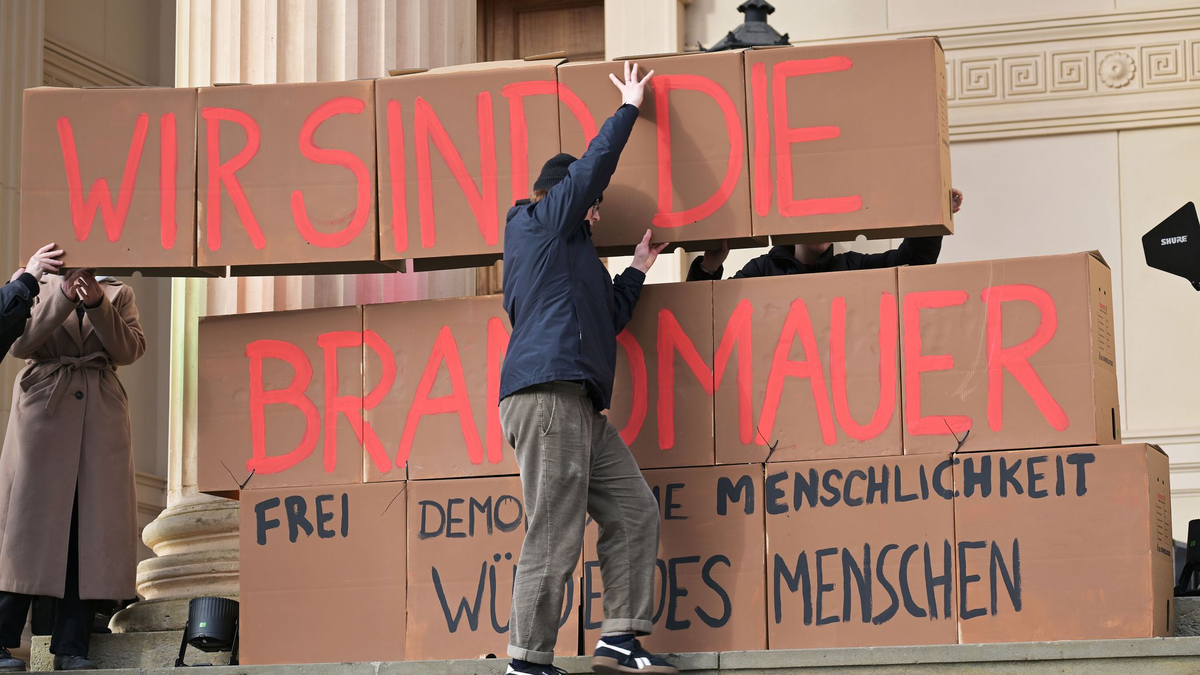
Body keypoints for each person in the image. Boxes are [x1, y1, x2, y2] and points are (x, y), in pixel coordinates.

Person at [499, 61, 677, 675]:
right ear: (563, 197)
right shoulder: (536, 225)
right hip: (547, 396)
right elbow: (589, 172)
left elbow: (609, 319)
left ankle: (619, 641)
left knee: (633, 511)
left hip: (578, 403)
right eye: (591, 204)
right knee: (555, 531)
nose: (595, 214)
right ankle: (527, 662)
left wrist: (637, 267)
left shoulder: (575, 261)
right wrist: (628, 108)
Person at [0, 268, 146, 671]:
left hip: (101, 412)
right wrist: (62, 295)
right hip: (43, 405)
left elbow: (130, 350)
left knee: (90, 531)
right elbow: (20, 343)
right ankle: (2, 637)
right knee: (25, 528)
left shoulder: (119, 291)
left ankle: (72, 647)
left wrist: (98, 302)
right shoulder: (35, 283)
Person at [688, 189, 965, 280]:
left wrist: (933, 215)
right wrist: (710, 263)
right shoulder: (760, 271)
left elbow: (914, 263)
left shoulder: (852, 267)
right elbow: (707, 314)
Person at [1, 244, 65, 362]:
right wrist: (25, 282)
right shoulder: (39, 283)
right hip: (44, 377)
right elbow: (17, 348)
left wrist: (20, 286)